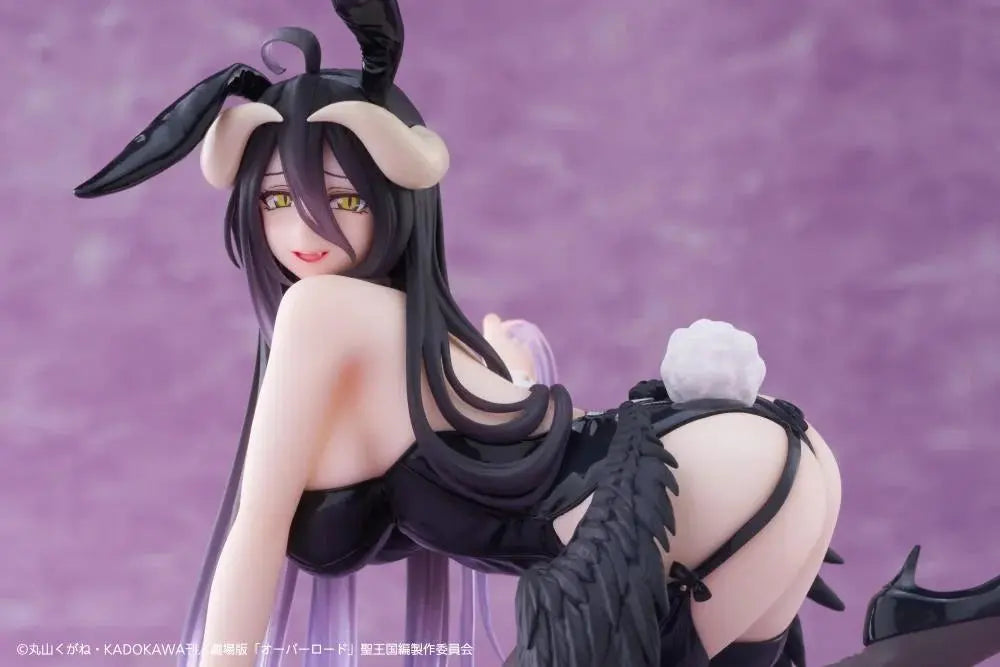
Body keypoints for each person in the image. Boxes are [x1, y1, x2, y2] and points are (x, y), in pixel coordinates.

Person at [74, 2, 999, 666]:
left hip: (660, 500)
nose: (303, 228)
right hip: (740, 463)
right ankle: (914, 634)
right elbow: (510, 428)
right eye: (278, 199)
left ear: (397, 201)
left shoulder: (323, 313)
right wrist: (515, 362)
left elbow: (257, 524)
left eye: (342, 198)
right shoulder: (427, 342)